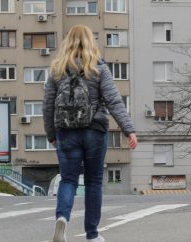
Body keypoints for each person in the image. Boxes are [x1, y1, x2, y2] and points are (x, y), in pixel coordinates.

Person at [43, 25, 138, 242]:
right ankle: (92, 235)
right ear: (90, 42)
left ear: (68, 42)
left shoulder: (57, 70)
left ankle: (62, 219)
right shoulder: (99, 68)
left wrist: (51, 134)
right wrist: (129, 130)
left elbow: (47, 105)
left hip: (66, 132)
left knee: (68, 179)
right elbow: (114, 101)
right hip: (94, 131)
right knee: (94, 182)